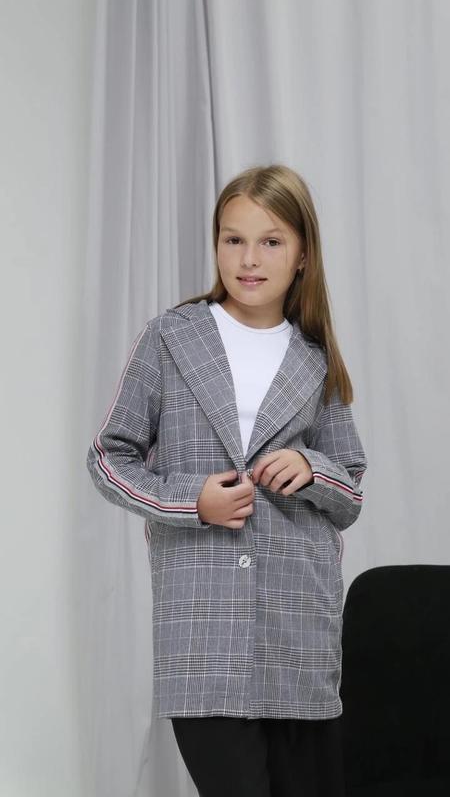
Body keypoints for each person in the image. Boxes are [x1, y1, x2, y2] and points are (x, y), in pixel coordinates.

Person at [86, 163, 368, 796]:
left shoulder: (314, 355)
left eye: (271, 241)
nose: (249, 259)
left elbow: (350, 486)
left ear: (302, 255)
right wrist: (193, 501)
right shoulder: (171, 338)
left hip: (299, 627)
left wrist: (312, 469)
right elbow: (108, 458)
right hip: (201, 631)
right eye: (232, 239)